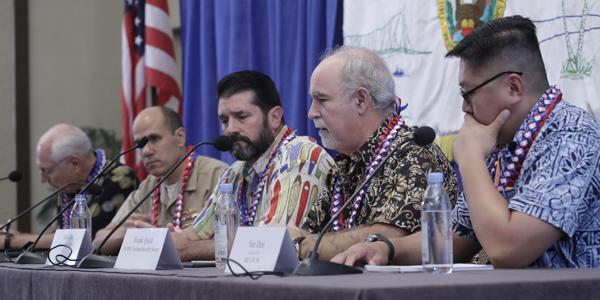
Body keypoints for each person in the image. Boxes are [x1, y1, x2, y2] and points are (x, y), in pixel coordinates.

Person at [332, 15, 600, 268]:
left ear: (513, 88)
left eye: (468, 93)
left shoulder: (571, 135)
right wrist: (388, 249)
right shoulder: (501, 141)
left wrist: (470, 157)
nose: (464, 107)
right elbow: (454, 238)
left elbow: (508, 249)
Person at [289, 46, 458, 261]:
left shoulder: (414, 153)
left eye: (321, 99)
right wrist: (305, 242)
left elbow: (385, 238)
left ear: (361, 100)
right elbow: (306, 233)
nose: (311, 112)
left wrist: (305, 246)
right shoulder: (344, 165)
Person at [168, 70, 334, 261]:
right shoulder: (235, 173)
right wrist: (173, 239)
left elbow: (272, 243)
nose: (230, 129)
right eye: (224, 121)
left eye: (241, 117)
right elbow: (194, 234)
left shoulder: (301, 155)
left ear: (274, 117)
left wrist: (191, 249)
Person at [92, 106, 228, 254]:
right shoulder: (148, 186)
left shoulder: (217, 175)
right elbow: (99, 241)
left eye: (155, 139)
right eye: (140, 144)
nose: (146, 151)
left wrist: (186, 247)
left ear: (180, 137)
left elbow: (234, 243)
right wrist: (127, 233)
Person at [1, 124, 139, 251]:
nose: (42, 179)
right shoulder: (71, 186)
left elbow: (87, 239)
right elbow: (59, 238)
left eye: (47, 171)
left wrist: (13, 240)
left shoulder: (120, 178)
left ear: (75, 163)